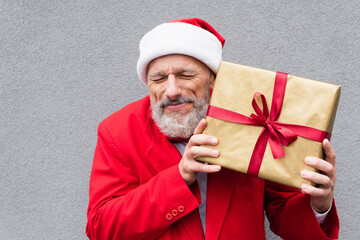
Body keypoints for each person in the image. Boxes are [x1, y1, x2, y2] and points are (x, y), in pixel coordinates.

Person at [86, 18, 339, 239]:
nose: (171, 90)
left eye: (185, 75)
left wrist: (318, 204)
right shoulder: (117, 131)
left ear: (213, 79)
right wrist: (180, 177)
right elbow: (102, 229)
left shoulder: (252, 120)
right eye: (159, 78)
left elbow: (284, 216)